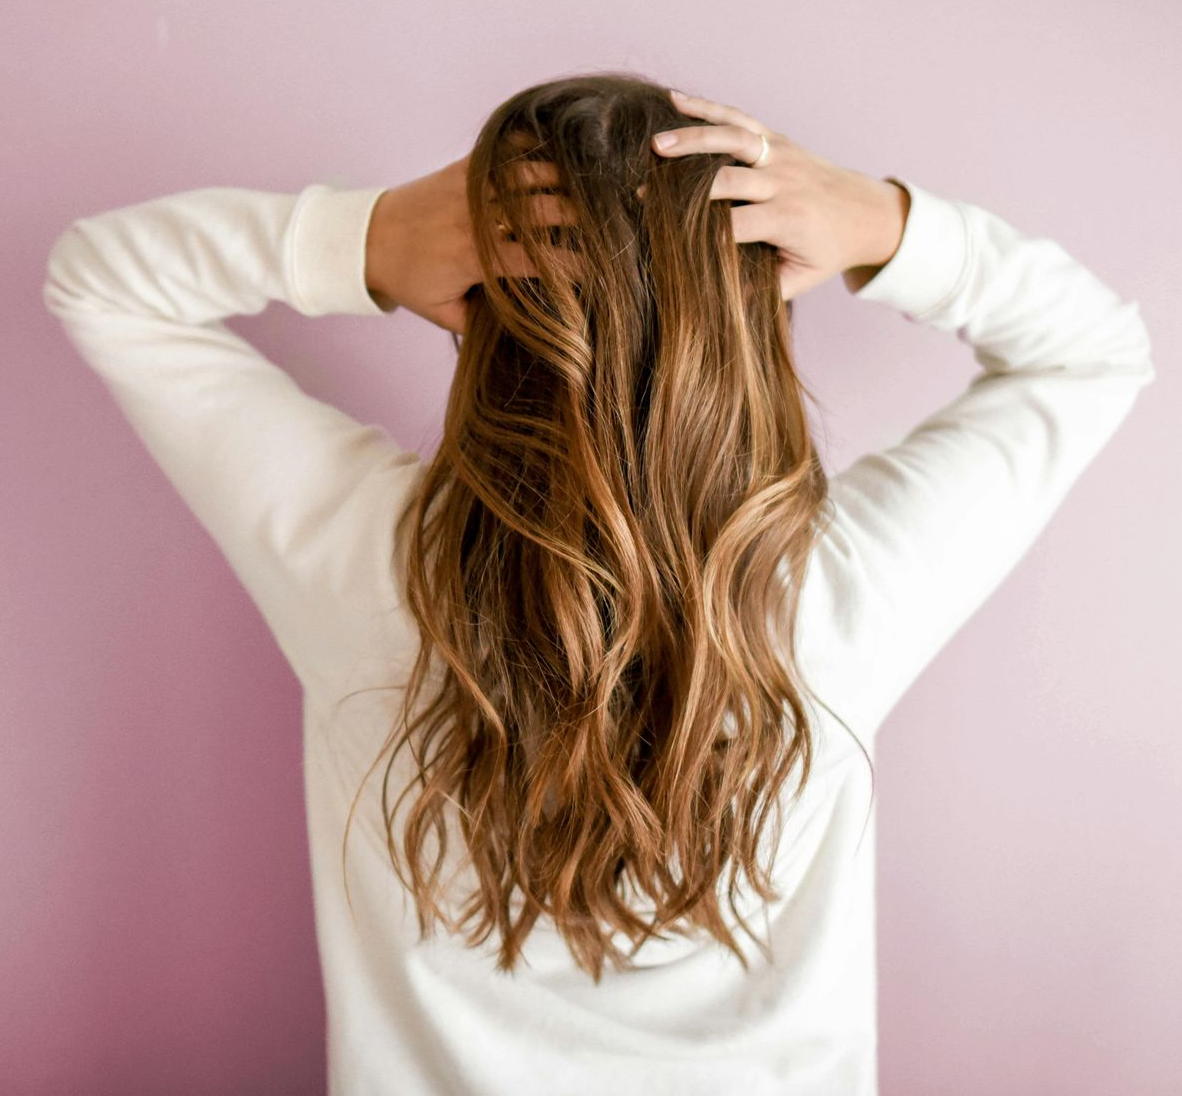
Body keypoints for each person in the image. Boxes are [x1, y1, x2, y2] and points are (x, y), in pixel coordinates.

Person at [42, 73, 1154, 1096]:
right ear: (758, 321)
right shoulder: (833, 596)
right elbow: (1095, 351)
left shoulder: (372, 567)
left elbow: (101, 279)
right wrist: (882, 224)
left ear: (477, 308)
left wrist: (368, 238)